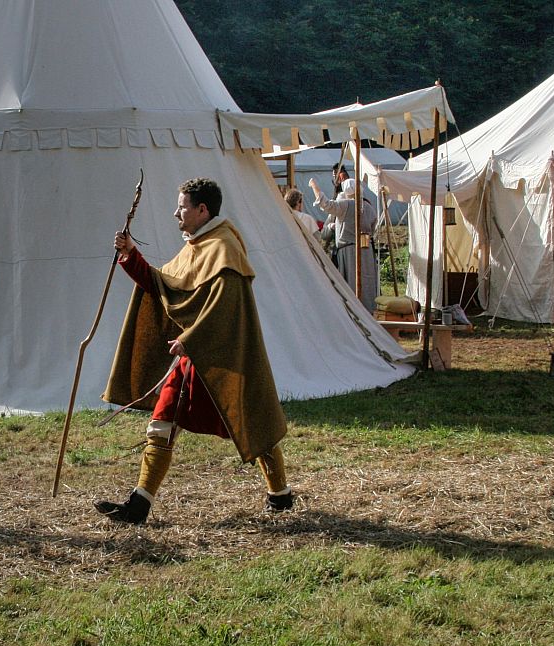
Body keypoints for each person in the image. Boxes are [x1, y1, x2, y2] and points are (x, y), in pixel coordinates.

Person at [94, 177, 292, 524]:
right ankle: (139, 505)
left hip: (223, 359)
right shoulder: (196, 245)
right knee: (162, 420)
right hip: (191, 359)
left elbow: (226, 305)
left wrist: (192, 339)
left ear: (202, 210)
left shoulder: (224, 247)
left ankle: (280, 495)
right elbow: (165, 285)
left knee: (252, 422)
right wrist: (131, 256)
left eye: (182, 207)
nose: (176, 213)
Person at [308, 176, 378, 310]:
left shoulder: (347, 204)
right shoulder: (368, 206)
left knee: (351, 285)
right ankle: (369, 312)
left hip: (350, 251)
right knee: (366, 282)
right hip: (366, 250)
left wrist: (314, 186)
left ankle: (355, 313)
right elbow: (373, 227)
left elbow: (326, 204)